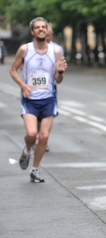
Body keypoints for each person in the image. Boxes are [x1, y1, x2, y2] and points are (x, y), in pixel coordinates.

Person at [9, 17, 67, 182]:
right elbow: (13, 70)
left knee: (43, 137)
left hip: (48, 99)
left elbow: (58, 79)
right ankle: (27, 149)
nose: (41, 29)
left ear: (47, 30)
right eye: (38, 27)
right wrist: (22, 84)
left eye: (44, 27)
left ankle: (34, 170)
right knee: (31, 133)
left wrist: (60, 72)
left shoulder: (54, 51)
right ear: (32, 32)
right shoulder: (24, 50)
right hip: (30, 100)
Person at [42, 24, 65, 152]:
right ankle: (36, 136)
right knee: (35, 116)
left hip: (51, 88)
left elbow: (60, 67)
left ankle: (44, 139)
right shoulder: (29, 48)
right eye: (46, 33)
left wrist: (59, 72)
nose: (47, 36)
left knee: (48, 115)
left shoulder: (57, 49)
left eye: (49, 34)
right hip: (34, 89)